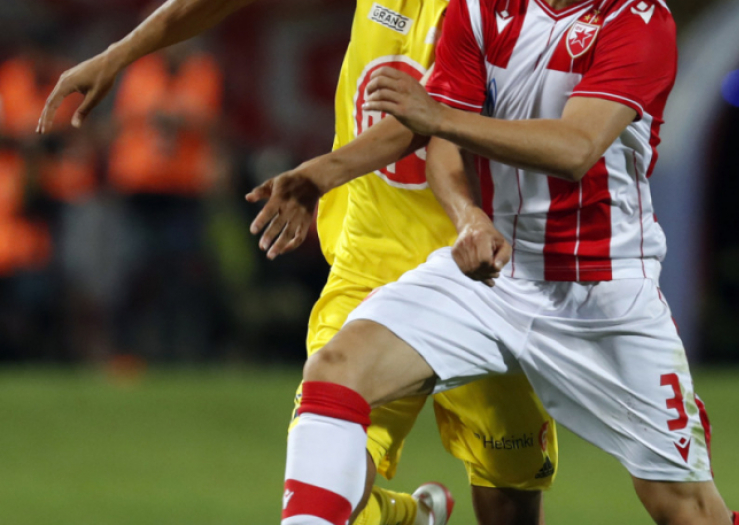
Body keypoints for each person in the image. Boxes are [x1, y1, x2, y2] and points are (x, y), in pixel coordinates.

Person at [38, 1, 559, 524]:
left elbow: (434, 117)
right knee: (326, 464)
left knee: (509, 494)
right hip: (371, 261)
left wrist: (321, 172)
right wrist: (121, 52)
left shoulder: (507, 11)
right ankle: (404, 517)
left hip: (483, 270)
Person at [260, 0, 739, 523]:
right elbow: (444, 146)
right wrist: (469, 218)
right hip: (493, 279)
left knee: (686, 509)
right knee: (336, 369)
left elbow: (575, 148)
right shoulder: (480, 9)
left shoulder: (638, 20)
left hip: (600, 296)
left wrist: (440, 117)